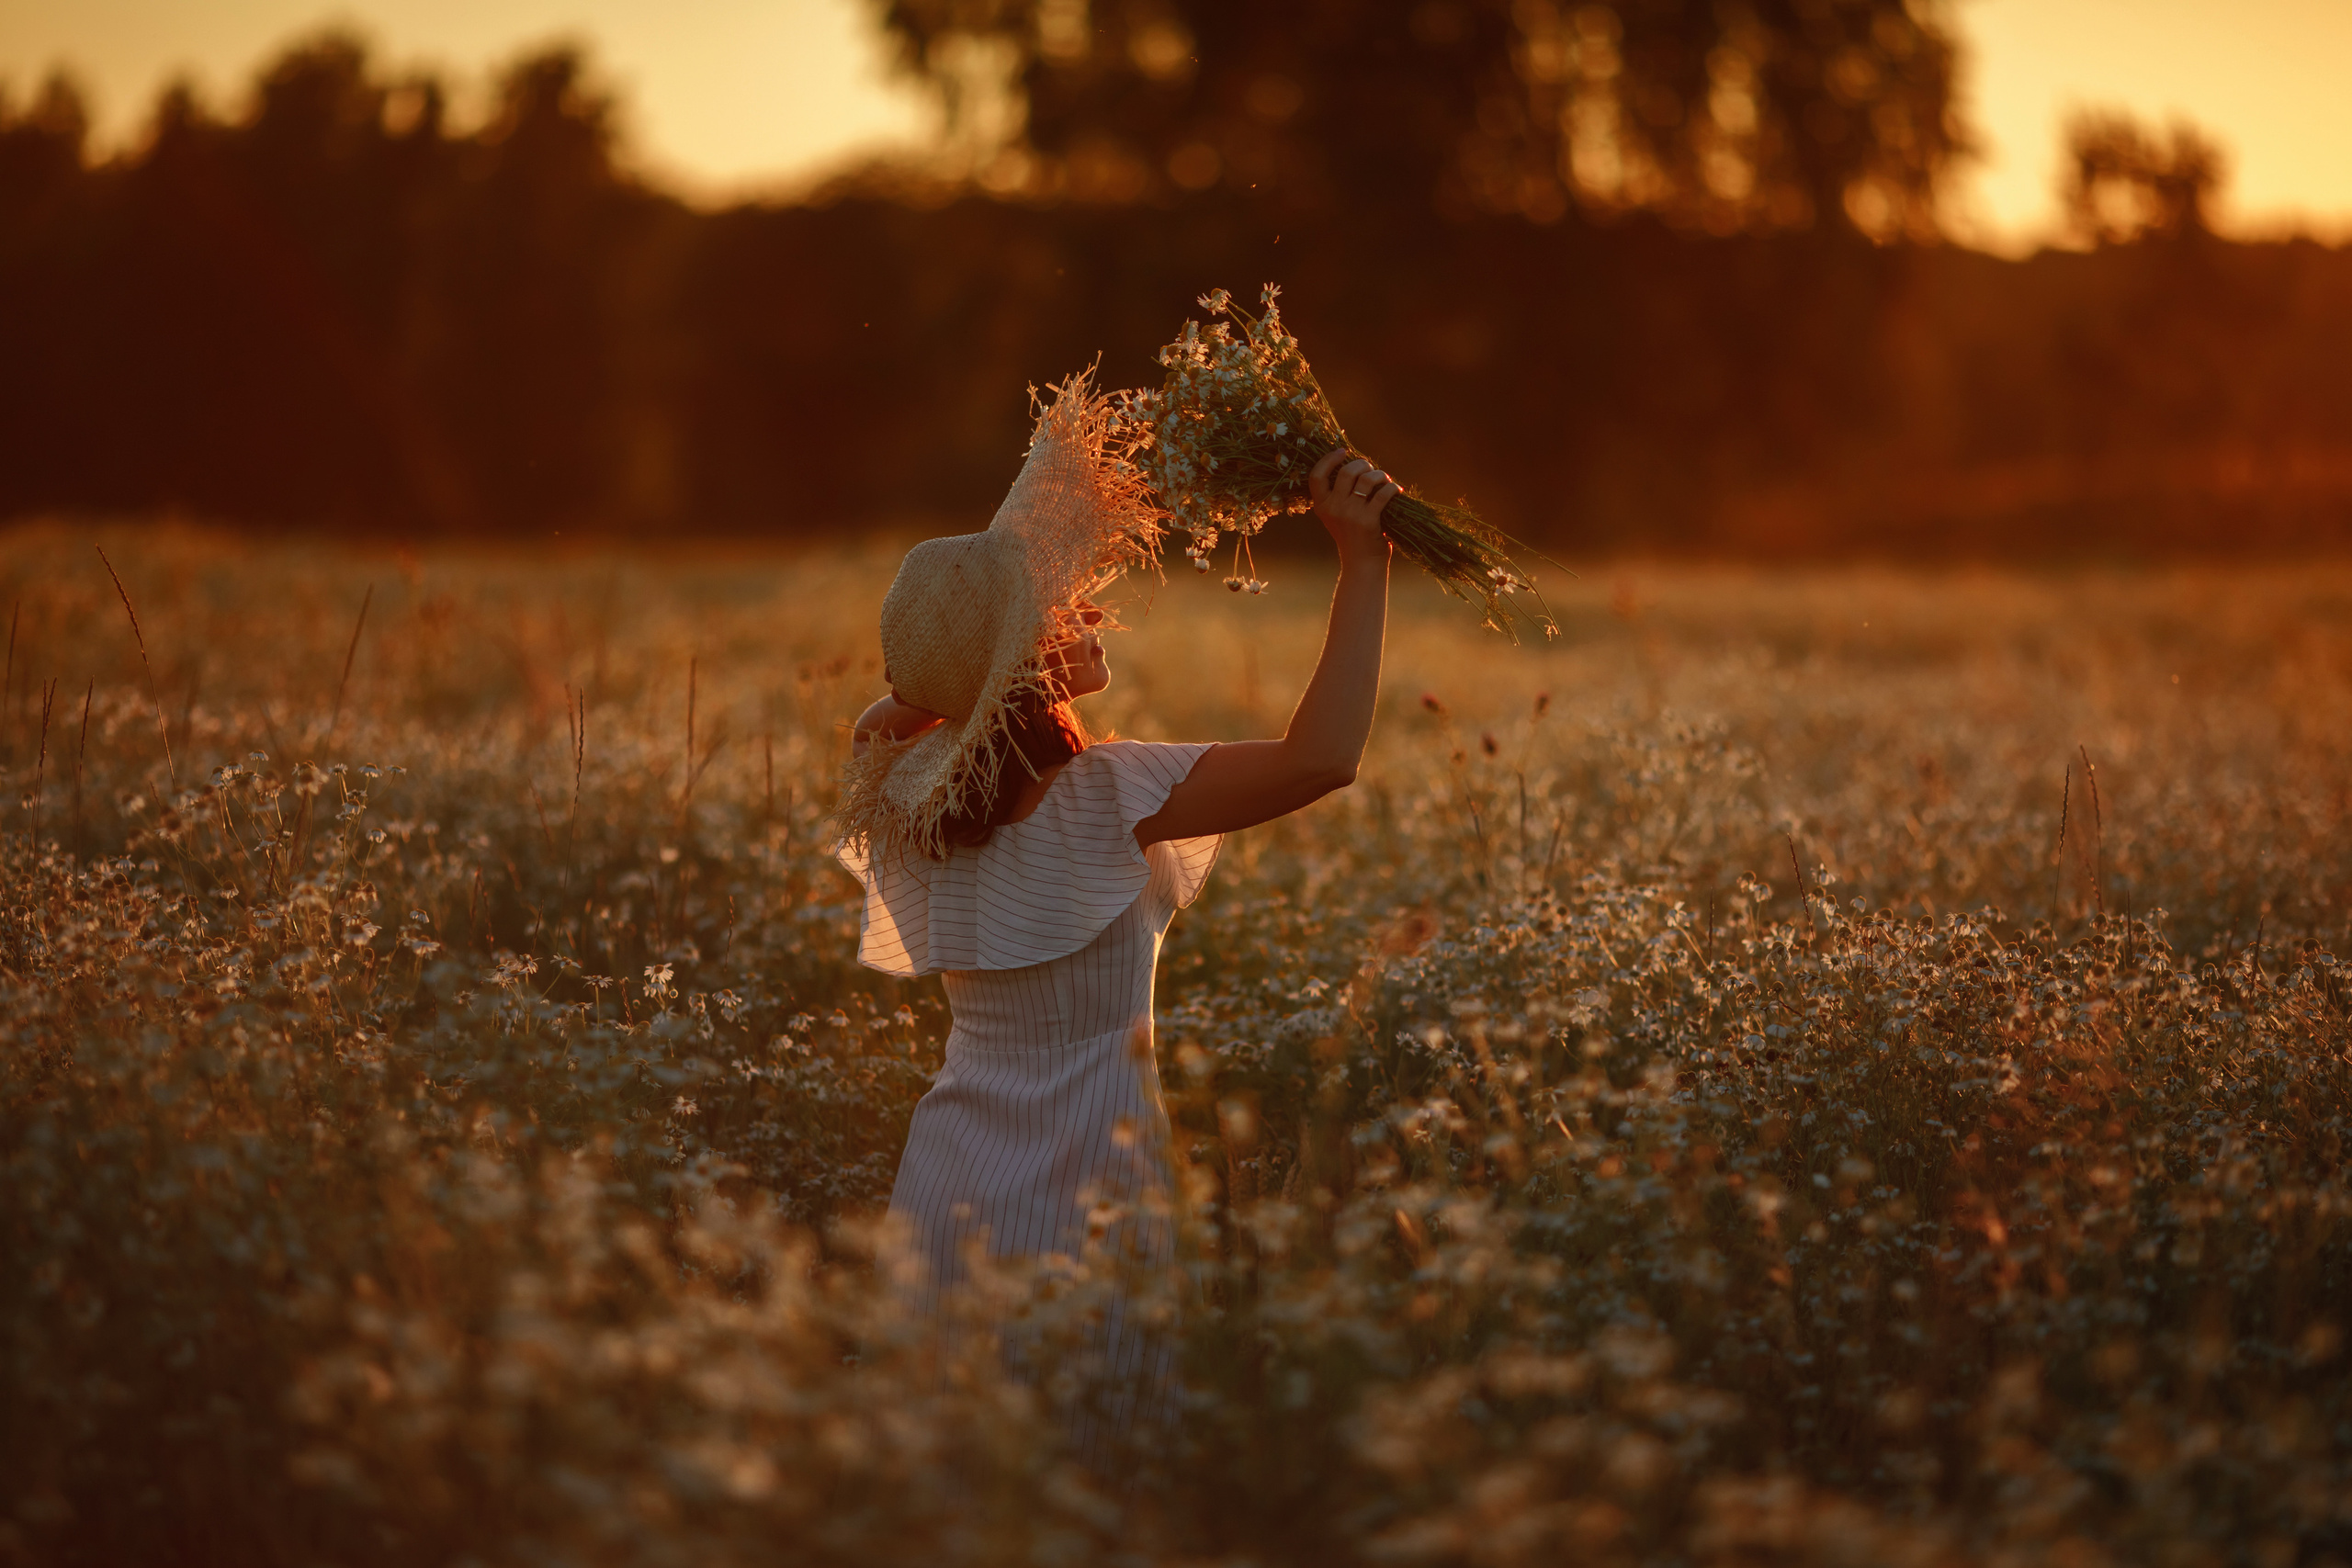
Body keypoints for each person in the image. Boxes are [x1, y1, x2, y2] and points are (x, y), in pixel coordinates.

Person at [831, 372, 1396, 1464]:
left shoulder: (901, 794)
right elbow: (1324, 757)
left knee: (949, 1490)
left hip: (945, 1188)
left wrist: (1003, 677)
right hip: (1089, 1193)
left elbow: (887, 714)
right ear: (1032, 661)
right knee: (1096, 1478)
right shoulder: (1115, 796)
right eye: (1061, 608)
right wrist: (1360, 560)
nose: (1086, 614)